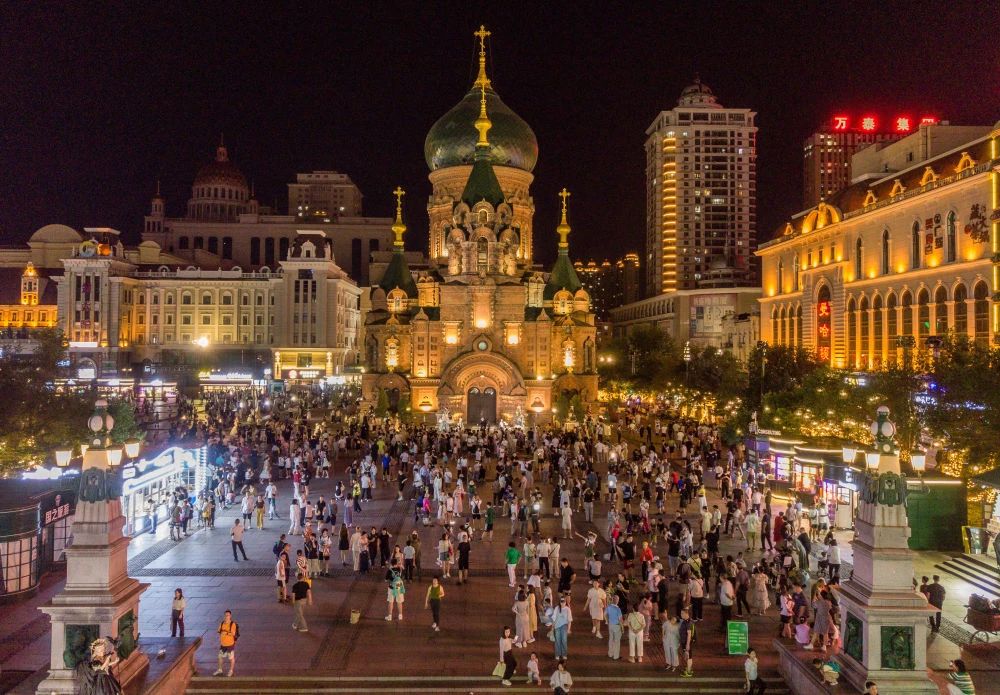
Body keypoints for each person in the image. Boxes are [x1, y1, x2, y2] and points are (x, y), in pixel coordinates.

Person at [214, 610, 239, 677]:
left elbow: (233, 633)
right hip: (223, 644)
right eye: (225, 615)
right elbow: (219, 631)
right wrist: (223, 633)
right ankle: (220, 670)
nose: (226, 617)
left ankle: (231, 671)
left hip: (230, 644)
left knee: (231, 658)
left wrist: (225, 633)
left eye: (228, 615)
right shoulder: (222, 623)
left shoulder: (232, 624)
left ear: (230, 616)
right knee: (220, 657)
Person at [551, 596, 573, 660]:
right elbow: (554, 618)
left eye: (564, 602)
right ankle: (557, 654)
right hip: (557, 627)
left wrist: (568, 629)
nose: (562, 603)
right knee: (557, 641)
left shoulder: (568, 609)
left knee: (564, 640)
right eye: (561, 602)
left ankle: (564, 654)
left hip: (564, 626)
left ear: (566, 602)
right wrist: (552, 627)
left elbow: (569, 620)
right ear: (560, 602)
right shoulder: (557, 608)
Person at [606, 594, 623, 660]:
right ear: (617, 600)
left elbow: (605, 615)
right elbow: (620, 619)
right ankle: (616, 656)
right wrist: (622, 627)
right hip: (616, 626)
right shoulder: (618, 609)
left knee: (611, 639)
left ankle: (610, 653)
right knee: (617, 641)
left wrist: (608, 621)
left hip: (610, 625)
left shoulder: (608, 607)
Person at [679, 608, 695, 677]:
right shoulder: (687, 621)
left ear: (686, 614)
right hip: (685, 642)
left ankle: (688, 672)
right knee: (688, 656)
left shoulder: (688, 623)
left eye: (682, 613)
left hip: (686, 642)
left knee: (688, 657)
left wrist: (687, 645)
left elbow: (689, 634)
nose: (681, 615)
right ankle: (689, 668)